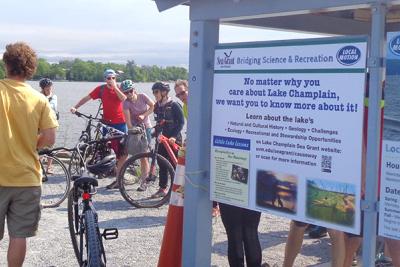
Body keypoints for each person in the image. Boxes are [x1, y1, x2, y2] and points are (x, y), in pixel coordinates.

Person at [0, 42, 58, 267]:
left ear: (6, 65)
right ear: (30, 68)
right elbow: (50, 137)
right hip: (26, 177)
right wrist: (30, 145)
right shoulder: (40, 99)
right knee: (19, 236)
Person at [70, 69, 127, 189]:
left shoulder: (120, 88)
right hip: (107, 124)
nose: (111, 80)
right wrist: (75, 107)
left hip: (120, 123)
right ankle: (114, 172)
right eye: (108, 78)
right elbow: (87, 97)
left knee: (122, 151)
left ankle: (119, 178)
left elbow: (124, 99)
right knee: (108, 149)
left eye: (113, 78)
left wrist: (115, 87)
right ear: (105, 79)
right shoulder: (101, 89)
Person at [174, 79, 221, 216]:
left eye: (183, 93)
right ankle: (200, 201)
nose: (182, 97)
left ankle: (215, 205)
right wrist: (189, 139)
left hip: (211, 141)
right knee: (199, 171)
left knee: (212, 172)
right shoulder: (185, 107)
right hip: (200, 142)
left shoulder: (201, 103)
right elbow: (192, 125)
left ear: (190, 89)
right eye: (178, 95)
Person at [152, 81, 184, 198]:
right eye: (153, 92)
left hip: (173, 140)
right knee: (161, 163)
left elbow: (181, 123)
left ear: (164, 92)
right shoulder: (157, 106)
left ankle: (179, 190)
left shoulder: (174, 104)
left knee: (176, 165)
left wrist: (174, 136)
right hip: (161, 140)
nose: (154, 94)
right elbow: (158, 122)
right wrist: (153, 132)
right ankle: (163, 188)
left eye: (156, 92)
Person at [121, 79, 154, 191]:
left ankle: (145, 181)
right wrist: (132, 129)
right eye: (126, 92)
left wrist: (144, 115)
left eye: (130, 91)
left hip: (146, 128)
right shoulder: (126, 103)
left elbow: (153, 106)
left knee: (144, 156)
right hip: (136, 130)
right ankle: (144, 175)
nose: (129, 94)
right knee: (135, 154)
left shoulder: (142, 96)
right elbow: (128, 122)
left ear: (134, 89)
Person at [39, 78, 59, 174]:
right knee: (39, 146)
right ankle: (39, 165)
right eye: (47, 89)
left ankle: (49, 167)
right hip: (40, 125)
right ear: (42, 89)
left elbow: (52, 107)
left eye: (50, 88)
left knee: (51, 146)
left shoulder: (54, 97)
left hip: (52, 124)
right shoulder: (38, 96)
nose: (49, 90)